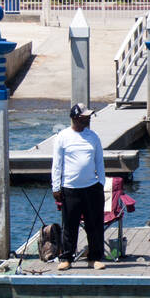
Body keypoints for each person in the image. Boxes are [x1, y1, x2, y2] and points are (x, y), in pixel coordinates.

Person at [51, 103, 106, 271]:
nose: (88, 119)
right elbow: (57, 164)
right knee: (70, 225)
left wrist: (101, 183)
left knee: (94, 225)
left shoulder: (93, 137)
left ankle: (95, 257)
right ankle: (66, 257)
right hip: (70, 188)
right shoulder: (62, 137)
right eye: (85, 117)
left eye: (88, 117)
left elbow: (99, 161)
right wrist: (56, 187)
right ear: (75, 118)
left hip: (92, 187)